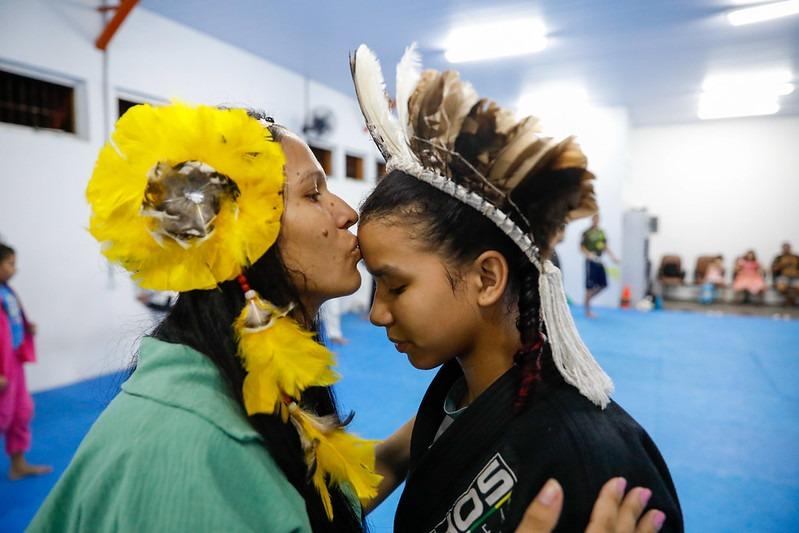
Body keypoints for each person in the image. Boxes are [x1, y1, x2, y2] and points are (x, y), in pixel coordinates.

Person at [28, 102, 659, 533]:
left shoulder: (243, 376)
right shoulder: (191, 455)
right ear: (246, 235)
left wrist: (451, 423)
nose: (345, 212)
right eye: (312, 192)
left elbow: (301, 500)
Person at [351, 44, 681, 532]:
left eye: (395, 286)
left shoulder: (592, 462)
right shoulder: (456, 397)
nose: (376, 313)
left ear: (487, 278)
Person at [0, 243, 52, 479]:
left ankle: (18, 465)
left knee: (21, 411)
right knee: (3, 415)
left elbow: (9, 322)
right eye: (10, 263)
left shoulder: (7, 291)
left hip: (13, 361)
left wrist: (25, 327)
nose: (15, 269)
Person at [581, 214, 619, 317]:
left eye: (597, 219)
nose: (596, 221)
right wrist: (588, 254)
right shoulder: (586, 233)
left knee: (603, 284)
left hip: (599, 260)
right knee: (589, 286)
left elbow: (605, 247)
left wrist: (613, 257)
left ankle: (587, 300)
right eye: (594, 219)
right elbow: (581, 247)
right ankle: (587, 310)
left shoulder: (601, 233)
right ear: (592, 220)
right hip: (590, 261)